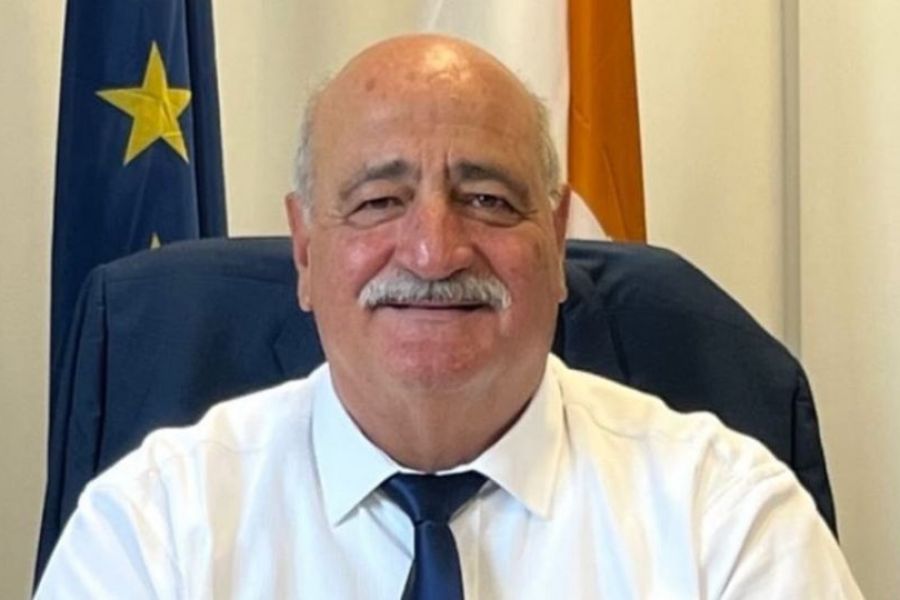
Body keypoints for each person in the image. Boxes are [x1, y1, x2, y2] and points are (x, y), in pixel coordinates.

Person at [35, 34, 861, 599]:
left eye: (488, 199)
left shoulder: (724, 518)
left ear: (555, 240)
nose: (434, 251)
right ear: (306, 251)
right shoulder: (155, 526)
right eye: (379, 201)